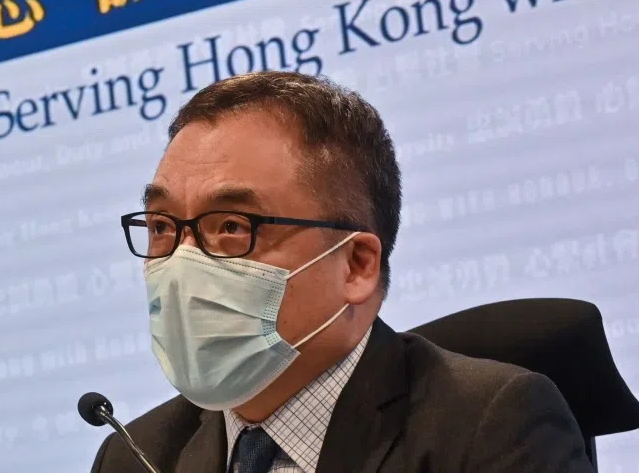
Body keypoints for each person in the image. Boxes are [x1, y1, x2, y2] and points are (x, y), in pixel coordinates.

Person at [91, 72, 594, 473]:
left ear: (356, 266)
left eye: (230, 226)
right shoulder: (140, 456)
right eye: (161, 226)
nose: (182, 261)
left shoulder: (487, 427)